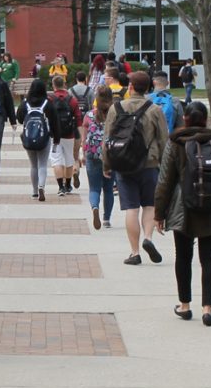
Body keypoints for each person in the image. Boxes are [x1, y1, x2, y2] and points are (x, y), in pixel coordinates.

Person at [154, 101, 211, 326]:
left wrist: (159, 213)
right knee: (210, 258)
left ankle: (185, 305)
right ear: (206, 119)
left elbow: (165, 181)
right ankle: (208, 308)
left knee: (183, 256)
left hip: (184, 207)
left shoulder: (177, 142)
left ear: (186, 119)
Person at [103, 71, 169, 265]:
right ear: (148, 88)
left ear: (130, 87)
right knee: (149, 205)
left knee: (131, 209)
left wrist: (107, 164)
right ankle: (148, 238)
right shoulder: (155, 109)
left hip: (124, 165)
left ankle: (134, 252)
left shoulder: (117, 108)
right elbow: (164, 140)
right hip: (150, 164)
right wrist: (165, 165)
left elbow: (107, 140)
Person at [16, 79, 61, 201]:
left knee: (33, 165)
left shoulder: (25, 103)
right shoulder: (47, 103)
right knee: (42, 164)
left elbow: (19, 118)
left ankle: (35, 192)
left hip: (29, 138)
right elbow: (55, 122)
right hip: (44, 138)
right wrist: (56, 138)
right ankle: (42, 186)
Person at [82, 86, 115, 229]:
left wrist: (83, 154)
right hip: (110, 155)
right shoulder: (116, 115)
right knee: (108, 189)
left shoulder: (89, 115)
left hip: (92, 154)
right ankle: (106, 219)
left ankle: (95, 207)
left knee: (94, 188)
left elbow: (84, 138)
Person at [49, 75, 81, 195]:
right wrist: (80, 136)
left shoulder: (50, 99)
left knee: (56, 160)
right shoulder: (72, 100)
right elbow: (78, 119)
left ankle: (60, 187)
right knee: (69, 160)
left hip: (54, 136)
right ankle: (68, 185)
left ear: (53, 86)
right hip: (69, 134)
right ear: (64, 84)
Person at [69, 71, 95, 189]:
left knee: (73, 152)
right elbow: (93, 106)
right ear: (85, 79)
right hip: (86, 122)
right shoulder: (89, 91)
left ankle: (75, 170)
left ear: (76, 79)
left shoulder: (70, 91)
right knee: (85, 143)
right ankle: (84, 157)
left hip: (74, 122)